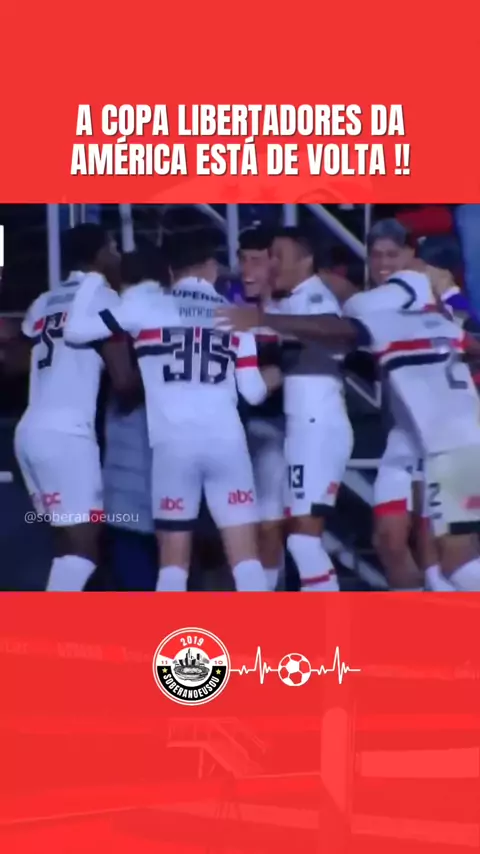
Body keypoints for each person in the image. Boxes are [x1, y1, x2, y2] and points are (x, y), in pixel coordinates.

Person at [215, 270, 480, 591]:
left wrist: (262, 318)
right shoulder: (442, 324)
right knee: (451, 562)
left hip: (449, 452)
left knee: (455, 563)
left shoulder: (389, 323)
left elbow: (334, 328)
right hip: (461, 446)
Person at [65, 232, 282, 592]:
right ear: (211, 268)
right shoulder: (234, 315)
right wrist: (278, 374)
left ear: (169, 271)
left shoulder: (145, 306)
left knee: (172, 569)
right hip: (227, 445)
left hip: (172, 448)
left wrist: (92, 279)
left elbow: (75, 331)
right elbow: (253, 393)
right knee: (246, 563)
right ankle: (262, 628)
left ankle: (168, 631)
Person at [13, 224, 139, 591]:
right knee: (84, 550)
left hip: (30, 432)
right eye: (113, 248)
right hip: (68, 436)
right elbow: (124, 382)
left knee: (67, 548)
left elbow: (15, 362)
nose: (118, 256)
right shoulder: (104, 299)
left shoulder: (44, 300)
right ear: (99, 256)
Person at [260, 226, 354, 591]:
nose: (271, 263)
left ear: (305, 260)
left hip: (318, 427)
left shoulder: (314, 298)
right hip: (302, 428)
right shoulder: (288, 301)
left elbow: (333, 328)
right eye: (269, 255)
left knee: (303, 540)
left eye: (278, 255)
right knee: (297, 537)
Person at [237, 227, 285, 591]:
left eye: (255, 261)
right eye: (242, 261)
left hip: (277, 430)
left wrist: (280, 374)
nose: (246, 271)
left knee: (270, 524)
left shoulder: (291, 314)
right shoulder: (236, 314)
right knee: (239, 528)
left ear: (274, 263)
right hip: (235, 431)